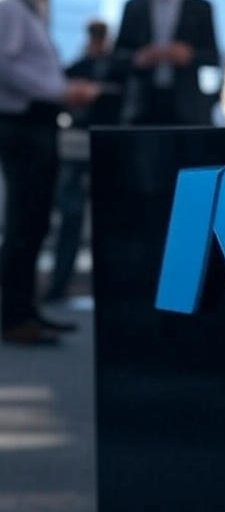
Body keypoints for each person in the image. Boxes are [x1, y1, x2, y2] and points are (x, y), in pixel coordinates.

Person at [0, 0, 99, 345]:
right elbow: (4, 65)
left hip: (37, 125)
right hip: (24, 125)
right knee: (25, 222)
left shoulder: (28, 11)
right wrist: (59, 91)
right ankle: (14, 316)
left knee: (36, 221)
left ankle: (27, 311)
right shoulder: (10, 9)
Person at [44, 19, 122, 304]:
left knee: (110, 220)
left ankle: (111, 288)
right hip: (78, 148)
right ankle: (59, 285)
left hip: (107, 146)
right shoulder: (78, 67)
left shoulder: (117, 69)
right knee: (71, 218)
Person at [114, 0, 219, 126]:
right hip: (144, 106)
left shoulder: (200, 8)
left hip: (187, 108)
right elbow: (117, 56)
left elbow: (213, 56)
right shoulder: (134, 7)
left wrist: (189, 55)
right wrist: (139, 58)